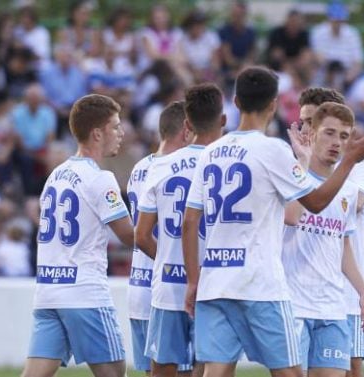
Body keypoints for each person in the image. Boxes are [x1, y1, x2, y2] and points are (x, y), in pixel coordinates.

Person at [180, 66, 364, 377]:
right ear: (274, 104)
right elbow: (314, 203)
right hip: (261, 283)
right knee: (289, 373)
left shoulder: (211, 153)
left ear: (236, 102)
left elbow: (189, 222)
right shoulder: (273, 150)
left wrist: (193, 280)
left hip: (215, 280)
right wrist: (351, 160)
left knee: (215, 373)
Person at [20, 94, 135, 377]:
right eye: (115, 126)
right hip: (84, 294)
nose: (121, 133)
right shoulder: (100, 178)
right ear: (97, 133)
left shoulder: (56, 175)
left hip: (48, 292)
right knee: (113, 374)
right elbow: (130, 236)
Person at [135, 85, 225, 377]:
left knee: (162, 368)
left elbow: (141, 236)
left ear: (187, 124)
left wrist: (168, 260)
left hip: (168, 285)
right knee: (212, 366)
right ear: (222, 120)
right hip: (213, 284)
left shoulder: (160, 165)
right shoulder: (223, 164)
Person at [282, 102, 364, 376]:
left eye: (344, 136)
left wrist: (363, 291)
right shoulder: (291, 173)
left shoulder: (348, 190)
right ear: (312, 132)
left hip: (332, 308)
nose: (336, 143)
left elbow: (342, 245)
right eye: (330, 133)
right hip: (293, 304)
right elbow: (291, 216)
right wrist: (302, 162)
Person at [126, 101, 191, 375]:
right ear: (187, 130)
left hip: (139, 286)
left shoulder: (140, 168)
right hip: (171, 285)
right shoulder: (183, 168)